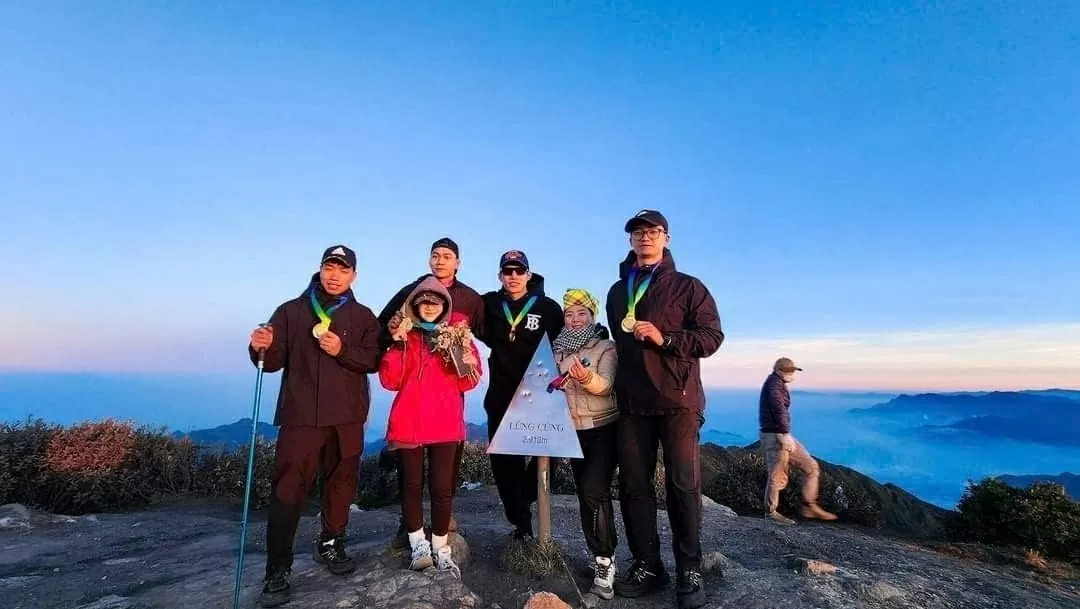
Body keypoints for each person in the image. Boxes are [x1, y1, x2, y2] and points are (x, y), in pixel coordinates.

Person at [247, 245, 381, 608]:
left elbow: (373, 360)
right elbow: (272, 361)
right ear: (320, 270)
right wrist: (259, 346)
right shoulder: (291, 311)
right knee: (288, 488)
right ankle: (278, 567)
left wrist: (342, 350)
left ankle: (331, 543)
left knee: (341, 483)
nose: (334, 275)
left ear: (354, 275)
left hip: (347, 417)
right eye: (329, 267)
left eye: (342, 269)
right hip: (300, 416)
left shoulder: (364, 316)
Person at [604, 210, 724, 609]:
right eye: (638, 233)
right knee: (634, 487)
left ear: (666, 238)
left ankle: (689, 568)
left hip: (678, 401)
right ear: (630, 241)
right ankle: (648, 564)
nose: (645, 238)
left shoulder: (689, 287)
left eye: (653, 232)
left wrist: (665, 337)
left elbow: (711, 337)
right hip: (633, 403)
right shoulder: (617, 292)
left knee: (682, 486)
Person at [376, 237, 485, 545]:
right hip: (410, 410)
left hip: (447, 406)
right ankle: (410, 530)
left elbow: (480, 353)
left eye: (447, 256)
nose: (440, 261)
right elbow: (384, 326)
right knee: (410, 481)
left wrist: (470, 359)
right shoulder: (410, 292)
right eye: (435, 255)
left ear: (457, 263)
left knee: (443, 477)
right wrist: (394, 342)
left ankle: (442, 527)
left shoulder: (471, 299)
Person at [477, 250, 563, 540]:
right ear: (500, 275)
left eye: (518, 271)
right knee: (504, 464)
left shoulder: (548, 308)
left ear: (528, 274)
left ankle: (525, 499)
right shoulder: (488, 304)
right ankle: (521, 525)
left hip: (540, 395)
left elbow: (564, 344)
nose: (513, 276)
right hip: (501, 395)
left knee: (552, 454)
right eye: (507, 271)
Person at [552, 288, 620, 600]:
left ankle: (606, 562)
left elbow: (605, 386)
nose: (576, 318)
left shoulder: (606, 346)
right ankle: (599, 557)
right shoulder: (556, 351)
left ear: (592, 316)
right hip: (573, 431)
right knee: (585, 495)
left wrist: (585, 379)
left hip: (603, 429)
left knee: (595, 491)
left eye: (582, 313)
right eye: (570, 313)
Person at [759, 357, 838, 525]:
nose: (792, 373)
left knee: (811, 467)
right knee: (776, 473)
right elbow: (778, 409)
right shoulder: (774, 385)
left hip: (781, 433)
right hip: (776, 435)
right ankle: (771, 513)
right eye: (789, 370)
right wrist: (784, 433)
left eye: (793, 370)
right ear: (779, 370)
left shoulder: (778, 384)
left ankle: (809, 506)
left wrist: (785, 433)